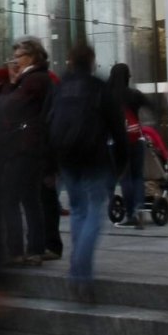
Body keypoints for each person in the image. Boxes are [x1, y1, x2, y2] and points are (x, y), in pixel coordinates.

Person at [50, 43, 126, 303]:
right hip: (94, 158)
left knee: (78, 211)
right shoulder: (99, 88)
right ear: (91, 61)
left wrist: (50, 163)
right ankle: (80, 273)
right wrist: (121, 163)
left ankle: (76, 271)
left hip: (67, 159)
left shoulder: (61, 87)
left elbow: (48, 122)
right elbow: (118, 128)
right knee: (94, 212)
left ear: (70, 60)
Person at [0, 35, 56, 266]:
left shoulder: (33, 80)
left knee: (10, 198)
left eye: (18, 56)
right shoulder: (38, 78)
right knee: (31, 199)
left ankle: (16, 250)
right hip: (33, 146)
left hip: (24, 146)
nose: (14, 61)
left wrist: (12, 83)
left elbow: (8, 106)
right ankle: (35, 249)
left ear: (31, 56)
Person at [108, 63, 151, 229]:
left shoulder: (109, 95)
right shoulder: (134, 94)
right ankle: (139, 209)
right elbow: (151, 105)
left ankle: (130, 213)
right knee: (137, 176)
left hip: (117, 141)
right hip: (137, 138)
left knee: (124, 177)